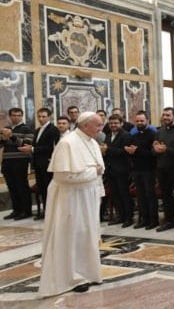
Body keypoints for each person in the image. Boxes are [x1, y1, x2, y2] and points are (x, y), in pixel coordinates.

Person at [38, 112, 105, 296]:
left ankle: (88, 273)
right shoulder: (68, 143)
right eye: (98, 125)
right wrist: (94, 173)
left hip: (88, 197)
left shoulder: (92, 141)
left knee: (87, 235)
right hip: (70, 198)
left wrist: (97, 180)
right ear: (84, 125)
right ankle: (72, 277)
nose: (101, 129)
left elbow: (100, 168)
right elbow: (63, 175)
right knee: (72, 236)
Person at [18, 108, 59, 220]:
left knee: (48, 190)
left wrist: (32, 149)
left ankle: (50, 213)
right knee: (42, 189)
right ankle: (45, 212)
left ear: (49, 116)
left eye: (43, 116)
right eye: (39, 116)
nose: (41, 119)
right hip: (38, 164)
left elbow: (50, 148)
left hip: (47, 164)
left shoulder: (53, 129)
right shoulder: (37, 130)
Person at [153, 107, 174, 234]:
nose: (165, 117)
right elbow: (155, 148)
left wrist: (166, 149)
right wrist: (155, 150)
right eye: (164, 115)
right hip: (162, 167)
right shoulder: (159, 131)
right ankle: (169, 221)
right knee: (165, 195)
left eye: (168, 115)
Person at [125, 111, 158, 230]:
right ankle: (144, 219)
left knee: (150, 195)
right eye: (137, 121)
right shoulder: (133, 135)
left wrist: (137, 151)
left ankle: (153, 220)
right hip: (136, 169)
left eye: (141, 121)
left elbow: (152, 153)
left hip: (149, 169)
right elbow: (132, 151)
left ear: (147, 121)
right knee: (140, 196)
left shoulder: (153, 134)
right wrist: (130, 151)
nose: (139, 123)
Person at [1, 108, 34, 220]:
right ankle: (16, 210)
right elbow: (1, 144)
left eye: (19, 115)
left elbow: (26, 144)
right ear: (10, 116)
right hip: (7, 161)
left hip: (20, 161)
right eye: (14, 115)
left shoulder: (27, 128)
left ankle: (26, 211)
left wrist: (12, 136)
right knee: (12, 187)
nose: (16, 117)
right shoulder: (7, 128)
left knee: (21, 186)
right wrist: (4, 138)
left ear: (22, 116)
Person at [100, 114, 133, 228]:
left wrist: (108, 149)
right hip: (110, 169)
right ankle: (120, 216)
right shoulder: (108, 136)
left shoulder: (126, 135)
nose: (113, 125)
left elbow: (124, 152)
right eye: (111, 123)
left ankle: (128, 218)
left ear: (121, 123)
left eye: (115, 123)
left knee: (124, 194)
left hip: (122, 169)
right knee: (115, 194)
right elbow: (106, 151)